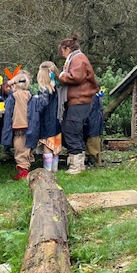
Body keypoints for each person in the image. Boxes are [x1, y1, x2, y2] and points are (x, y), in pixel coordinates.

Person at [57, 34, 97, 175]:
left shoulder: (78, 59)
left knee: (72, 130)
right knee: (71, 129)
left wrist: (60, 75)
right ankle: (77, 162)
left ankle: (77, 165)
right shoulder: (76, 58)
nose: (61, 54)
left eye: (61, 50)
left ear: (66, 48)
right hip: (77, 101)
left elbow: (76, 77)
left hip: (79, 100)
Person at [27, 62, 62, 172]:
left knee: (47, 148)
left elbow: (42, 104)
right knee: (55, 148)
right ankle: (55, 170)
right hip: (56, 121)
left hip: (47, 122)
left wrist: (35, 101)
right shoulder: (56, 87)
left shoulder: (43, 89)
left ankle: (47, 172)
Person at [2, 70, 34, 180]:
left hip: (19, 128)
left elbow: (8, 111)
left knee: (20, 151)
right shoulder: (31, 96)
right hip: (31, 127)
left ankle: (23, 174)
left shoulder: (13, 97)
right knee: (27, 150)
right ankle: (26, 169)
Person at [83, 82, 104, 167]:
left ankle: (93, 159)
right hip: (94, 123)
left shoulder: (93, 97)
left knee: (92, 142)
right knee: (93, 142)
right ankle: (94, 159)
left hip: (92, 123)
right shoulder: (96, 97)